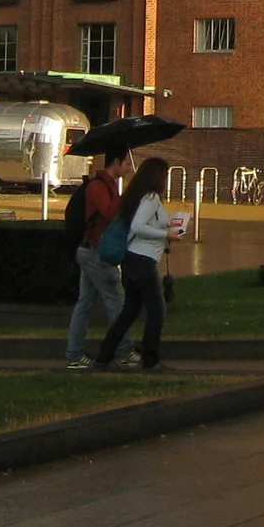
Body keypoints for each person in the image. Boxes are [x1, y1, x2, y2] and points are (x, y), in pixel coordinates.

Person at [96, 156, 177, 372]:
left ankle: (105, 355)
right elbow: (138, 226)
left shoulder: (141, 197)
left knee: (130, 311)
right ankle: (150, 359)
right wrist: (164, 233)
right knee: (156, 310)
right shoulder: (150, 198)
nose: (167, 180)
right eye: (165, 175)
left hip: (134, 259)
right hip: (142, 261)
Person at [64, 149, 136, 371]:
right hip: (96, 253)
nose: (128, 169)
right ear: (116, 162)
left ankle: (74, 354)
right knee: (116, 300)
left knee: (85, 303)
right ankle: (123, 351)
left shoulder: (109, 185)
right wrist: (128, 197)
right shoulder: (98, 187)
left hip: (91, 250)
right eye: (126, 164)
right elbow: (110, 213)